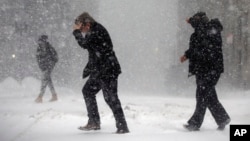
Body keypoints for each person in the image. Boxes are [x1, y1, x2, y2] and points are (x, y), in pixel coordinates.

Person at [72, 12, 129, 134]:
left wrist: (76, 33)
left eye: (81, 28)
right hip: (100, 70)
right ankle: (94, 122)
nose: (81, 31)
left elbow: (85, 45)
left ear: (87, 24)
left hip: (107, 69)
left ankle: (122, 127)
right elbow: (93, 52)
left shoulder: (97, 30)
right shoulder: (92, 31)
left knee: (111, 98)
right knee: (88, 91)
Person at [180, 12, 230, 131]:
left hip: (210, 69)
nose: (192, 24)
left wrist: (192, 21)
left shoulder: (211, 29)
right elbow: (197, 48)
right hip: (204, 69)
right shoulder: (201, 32)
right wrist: (187, 55)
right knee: (209, 96)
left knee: (202, 95)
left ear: (200, 21)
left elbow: (203, 47)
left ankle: (195, 123)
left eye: (195, 22)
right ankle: (222, 118)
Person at [35, 35, 58, 103]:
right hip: (43, 67)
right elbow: (38, 58)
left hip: (48, 67)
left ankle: (40, 97)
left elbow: (56, 57)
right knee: (48, 80)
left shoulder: (49, 48)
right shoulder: (39, 48)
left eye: (42, 41)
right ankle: (54, 95)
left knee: (44, 80)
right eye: (40, 41)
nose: (41, 43)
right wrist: (41, 66)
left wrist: (51, 63)